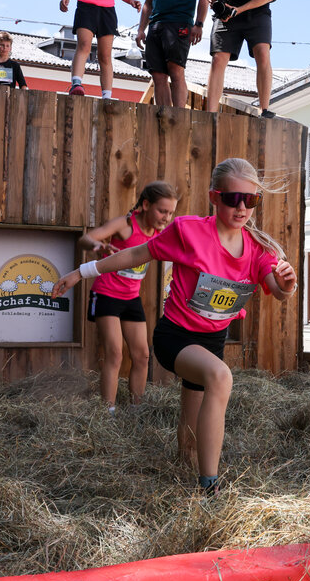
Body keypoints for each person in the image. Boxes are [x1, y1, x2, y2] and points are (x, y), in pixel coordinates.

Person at [52, 158, 297, 494]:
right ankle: (210, 490)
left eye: (250, 200)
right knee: (220, 376)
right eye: (232, 199)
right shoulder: (189, 231)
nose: (241, 207)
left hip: (212, 340)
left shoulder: (258, 249)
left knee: (190, 435)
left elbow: (280, 290)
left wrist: (288, 283)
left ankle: (184, 468)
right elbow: (136, 254)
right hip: (175, 337)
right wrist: (81, 272)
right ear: (214, 197)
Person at [79, 181, 178, 413]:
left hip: (131, 298)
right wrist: (97, 246)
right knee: (114, 353)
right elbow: (85, 238)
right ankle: (108, 412)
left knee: (142, 355)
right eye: (162, 211)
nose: (166, 217)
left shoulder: (159, 233)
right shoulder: (125, 225)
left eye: (171, 213)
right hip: (106, 294)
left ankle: (136, 410)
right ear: (145, 204)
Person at [203, 0, 276, 117]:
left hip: (256, 9)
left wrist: (238, 9)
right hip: (226, 8)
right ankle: (210, 113)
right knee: (218, 57)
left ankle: (264, 110)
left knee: (262, 52)